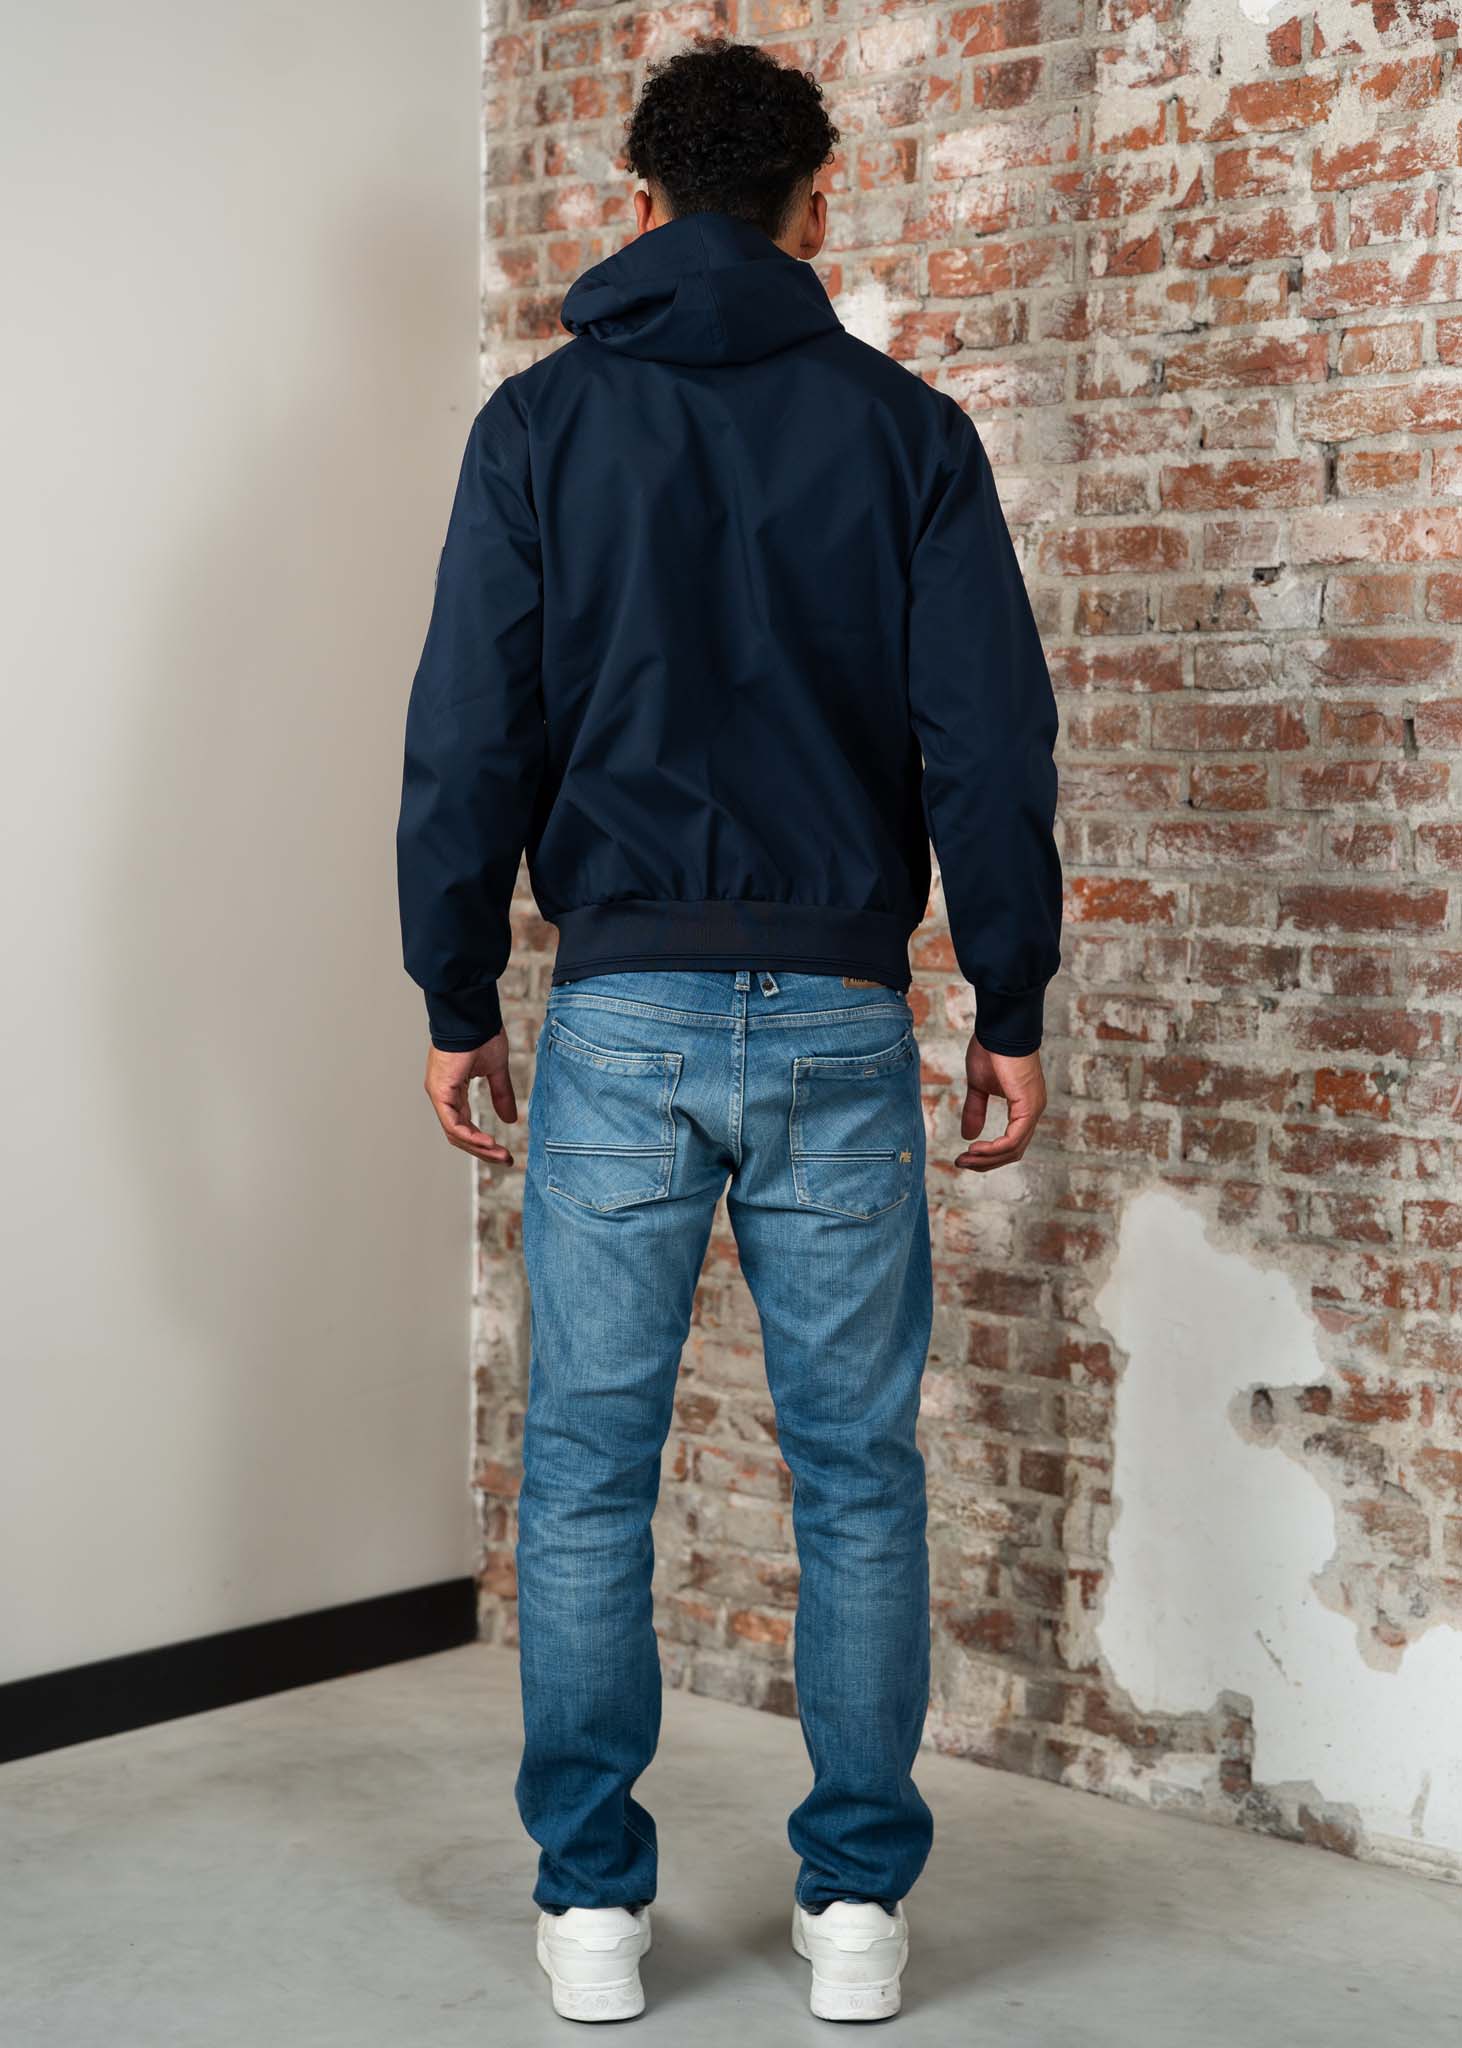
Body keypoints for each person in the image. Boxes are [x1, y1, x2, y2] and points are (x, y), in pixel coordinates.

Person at [396, 35, 1061, 2026]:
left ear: (637, 204)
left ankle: (593, 1910)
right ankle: (853, 1911)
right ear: (810, 204)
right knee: (855, 1474)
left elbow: (467, 736)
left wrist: (453, 991)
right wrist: (1008, 995)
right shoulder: (905, 431)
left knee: (586, 1475)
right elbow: (988, 743)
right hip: (843, 1014)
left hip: (617, 1013)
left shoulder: (538, 425)